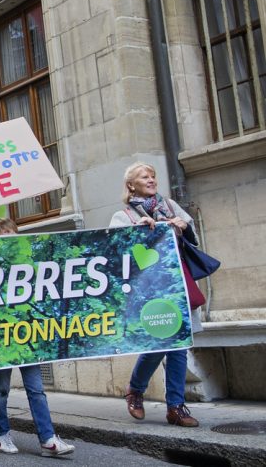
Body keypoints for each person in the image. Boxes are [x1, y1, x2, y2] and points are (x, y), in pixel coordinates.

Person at [0, 207, 75, 456]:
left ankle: (48, 438)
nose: (10, 238)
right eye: (3, 235)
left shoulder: (28, 263)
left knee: (36, 389)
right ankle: (2, 435)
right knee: (1, 389)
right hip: (0, 336)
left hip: (26, 335)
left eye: (13, 233)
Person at [109, 162, 200, 428]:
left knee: (179, 344)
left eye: (153, 176)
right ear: (131, 185)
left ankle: (176, 406)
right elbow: (115, 252)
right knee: (158, 343)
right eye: (143, 176)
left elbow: (191, 239)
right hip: (147, 293)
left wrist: (183, 225)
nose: (151, 179)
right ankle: (136, 390)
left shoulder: (170, 207)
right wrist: (138, 231)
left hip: (176, 287)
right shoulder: (123, 216)